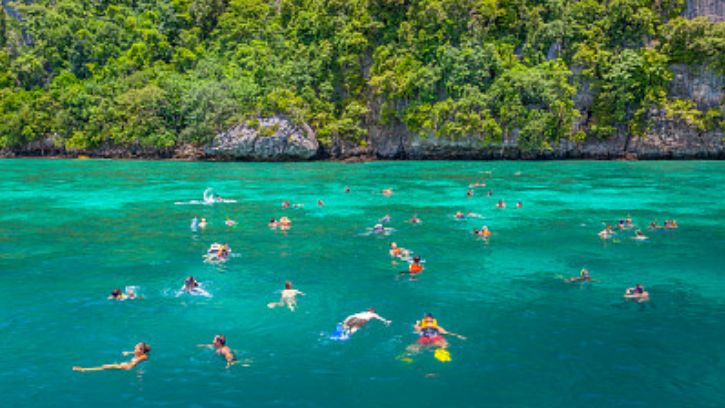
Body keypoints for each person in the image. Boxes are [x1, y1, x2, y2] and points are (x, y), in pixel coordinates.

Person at [73, 342, 150, 372]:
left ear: (141, 351)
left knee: (105, 366)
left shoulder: (143, 357)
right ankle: (84, 369)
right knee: (106, 366)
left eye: (136, 348)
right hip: (128, 364)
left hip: (128, 366)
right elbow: (136, 353)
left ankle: (84, 369)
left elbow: (135, 362)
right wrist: (128, 352)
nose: (134, 348)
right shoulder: (139, 353)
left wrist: (128, 364)